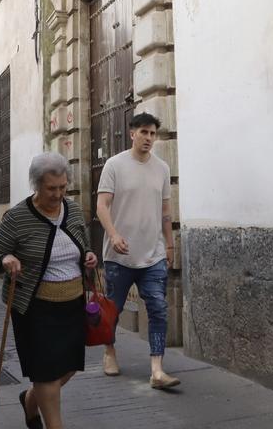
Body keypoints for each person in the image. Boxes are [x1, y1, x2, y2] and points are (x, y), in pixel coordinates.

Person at [0, 152, 97, 429]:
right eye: (51, 188)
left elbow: (83, 243)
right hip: (34, 307)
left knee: (69, 366)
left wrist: (89, 255)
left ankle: (30, 399)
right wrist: (5, 259)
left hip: (72, 302)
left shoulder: (72, 210)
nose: (58, 194)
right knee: (45, 373)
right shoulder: (18, 217)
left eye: (62, 187)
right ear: (36, 185)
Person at [97, 112, 180, 389]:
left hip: (153, 254)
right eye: (143, 132)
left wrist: (169, 244)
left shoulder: (162, 168)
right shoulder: (114, 165)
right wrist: (113, 234)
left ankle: (157, 370)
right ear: (132, 133)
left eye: (152, 133)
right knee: (114, 310)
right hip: (119, 256)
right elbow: (102, 206)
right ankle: (109, 352)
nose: (148, 138)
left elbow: (165, 211)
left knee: (158, 308)